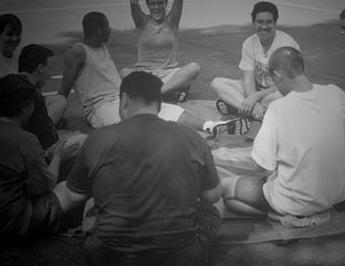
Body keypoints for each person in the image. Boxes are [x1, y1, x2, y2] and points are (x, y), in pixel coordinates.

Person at [54, 71, 223, 266]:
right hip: (180, 257)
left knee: (93, 207)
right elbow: (212, 196)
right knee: (214, 206)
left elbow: (74, 196)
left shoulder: (98, 139)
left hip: (109, 258)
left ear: (124, 100)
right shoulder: (191, 136)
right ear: (159, 103)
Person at [58, 11, 243, 137]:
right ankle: (162, 145)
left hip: (120, 98)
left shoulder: (101, 47)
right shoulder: (78, 52)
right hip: (100, 107)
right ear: (99, 30)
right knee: (142, 122)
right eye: (107, 27)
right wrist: (57, 116)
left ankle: (209, 126)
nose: (110, 30)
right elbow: (65, 88)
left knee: (164, 108)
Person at [222, 47, 345, 219]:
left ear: (277, 76)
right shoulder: (334, 93)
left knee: (226, 189)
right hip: (336, 194)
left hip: (296, 201)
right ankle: (291, 212)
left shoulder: (278, 108)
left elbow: (261, 166)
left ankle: (281, 216)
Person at [0, 74, 79, 248]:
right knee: (68, 188)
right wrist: (58, 155)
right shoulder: (23, 139)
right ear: (26, 107)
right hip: (3, 228)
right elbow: (44, 186)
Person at [125, 0, 200, 102]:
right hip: (145, 73)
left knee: (194, 68)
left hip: (169, 74)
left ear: (166, 3)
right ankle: (171, 92)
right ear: (147, 5)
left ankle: (155, 94)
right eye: (153, 4)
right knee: (124, 73)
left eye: (160, 3)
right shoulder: (141, 22)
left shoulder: (172, 21)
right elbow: (133, 2)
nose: (157, 7)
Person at [211, 1, 300, 122]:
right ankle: (256, 112)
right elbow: (248, 79)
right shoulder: (249, 43)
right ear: (253, 23)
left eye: (269, 22)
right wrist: (255, 103)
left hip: (278, 92)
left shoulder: (286, 45)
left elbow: (284, 84)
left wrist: (255, 97)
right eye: (260, 22)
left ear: (275, 23)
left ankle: (240, 109)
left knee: (286, 97)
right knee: (217, 83)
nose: (264, 27)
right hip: (257, 92)